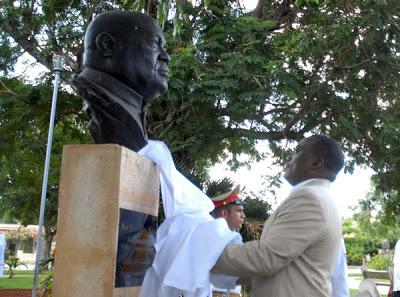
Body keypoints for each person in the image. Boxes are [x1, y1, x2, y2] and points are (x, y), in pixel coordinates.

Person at [214, 134, 345, 297]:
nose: (290, 157)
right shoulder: (318, 197)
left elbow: (266, 258)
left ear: (316, 163)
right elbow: (285, 266)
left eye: (298, 151)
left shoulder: (309, 199)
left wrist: (207, 252)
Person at [72, 11, 171, 152]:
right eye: (155, 43)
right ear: (107, 45)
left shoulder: (133, 106)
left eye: (164, 48)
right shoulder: (107, 107)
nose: (166, 56)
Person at [210, 185, 246, 297]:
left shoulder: (230, 236)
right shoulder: (217, 237)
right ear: (225, 213)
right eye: (239, 211)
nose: (243, 216)